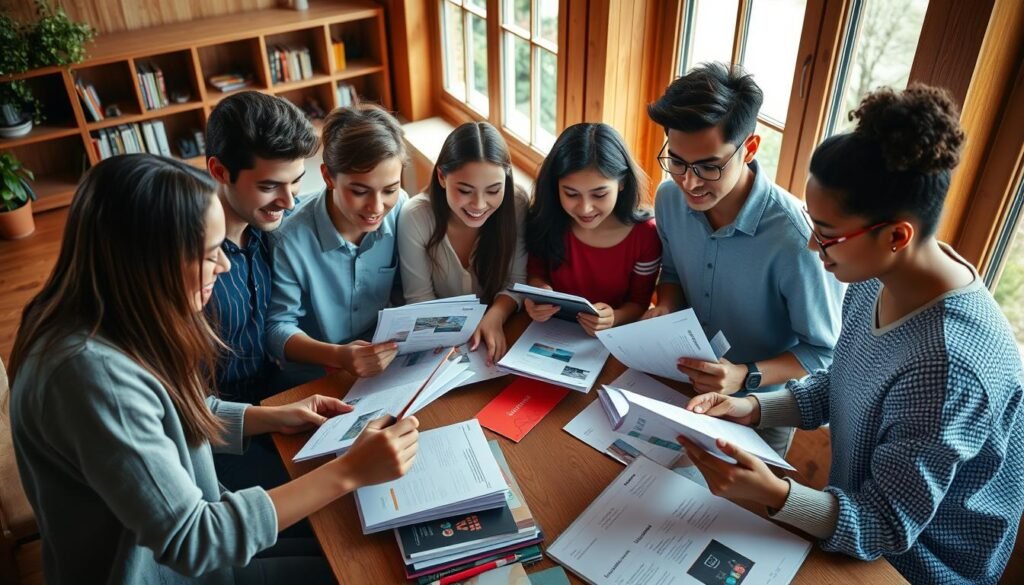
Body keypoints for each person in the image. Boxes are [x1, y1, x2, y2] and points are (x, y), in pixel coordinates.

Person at [7, 154, 420, 584]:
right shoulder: (91, 376)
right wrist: (350, 470)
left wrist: (269, 417)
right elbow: (193, 540)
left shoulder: (109, 316)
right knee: (370, 566)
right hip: (167, 570)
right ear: (149, 263)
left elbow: (164, 413)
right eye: (208, 255)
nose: (223, 267)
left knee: (357, 538)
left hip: (200, 544)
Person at [679, 85, 1024, 585]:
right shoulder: (881, 274)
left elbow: (885, 525)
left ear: (897, 235)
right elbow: (843, 381)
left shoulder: (949, 367)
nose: (814, 247)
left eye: (825, 233)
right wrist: (750, 407)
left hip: (912, 567)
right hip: (848, 523)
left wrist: (773, 494)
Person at [645, 63, 844, 454]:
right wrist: (665, 306)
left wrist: (743, 376)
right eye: (678, 162)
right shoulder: (670, 198)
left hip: (758, 407)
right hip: (677, 378)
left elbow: (822, 350)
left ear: (749, 148)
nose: (689, 182)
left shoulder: (796, 237)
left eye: (709, 166)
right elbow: (671, 270)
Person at [204, 91, 319, 493]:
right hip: (215, 437)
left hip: (276, 397)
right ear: (220, 171)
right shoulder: (193, 265)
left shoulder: (273, 228)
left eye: (296, 182)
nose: (288, 202)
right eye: (270, 186)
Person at [266, 104, 408, 388]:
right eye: (359, 191)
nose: (377, 207)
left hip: (384, 365)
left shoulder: (401, 208)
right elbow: (277, 329)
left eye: (389, 189)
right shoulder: (288, 238)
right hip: (314, 378)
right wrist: (338, 356)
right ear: (328, 177)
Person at [396, 121, 527, 364]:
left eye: (493, 190)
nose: (479, 204)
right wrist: (456, 334)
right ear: (442, 177)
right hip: (441, 340)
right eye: (465, 190)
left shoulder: (516, 204)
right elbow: (419, 299)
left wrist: (495, 315)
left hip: (499, 329)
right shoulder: (415, 216)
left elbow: (515, 282)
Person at [524, 122, 660, 336]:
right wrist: (538, 293)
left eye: (599, 194)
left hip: (613, 336)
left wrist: (614, 317)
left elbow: (639, 303)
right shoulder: (548, 217)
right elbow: (536, 272)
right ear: (555, 186)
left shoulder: (645, 235)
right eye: (571, 194)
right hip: (551, 330)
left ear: (622, 183)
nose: (585, 208)